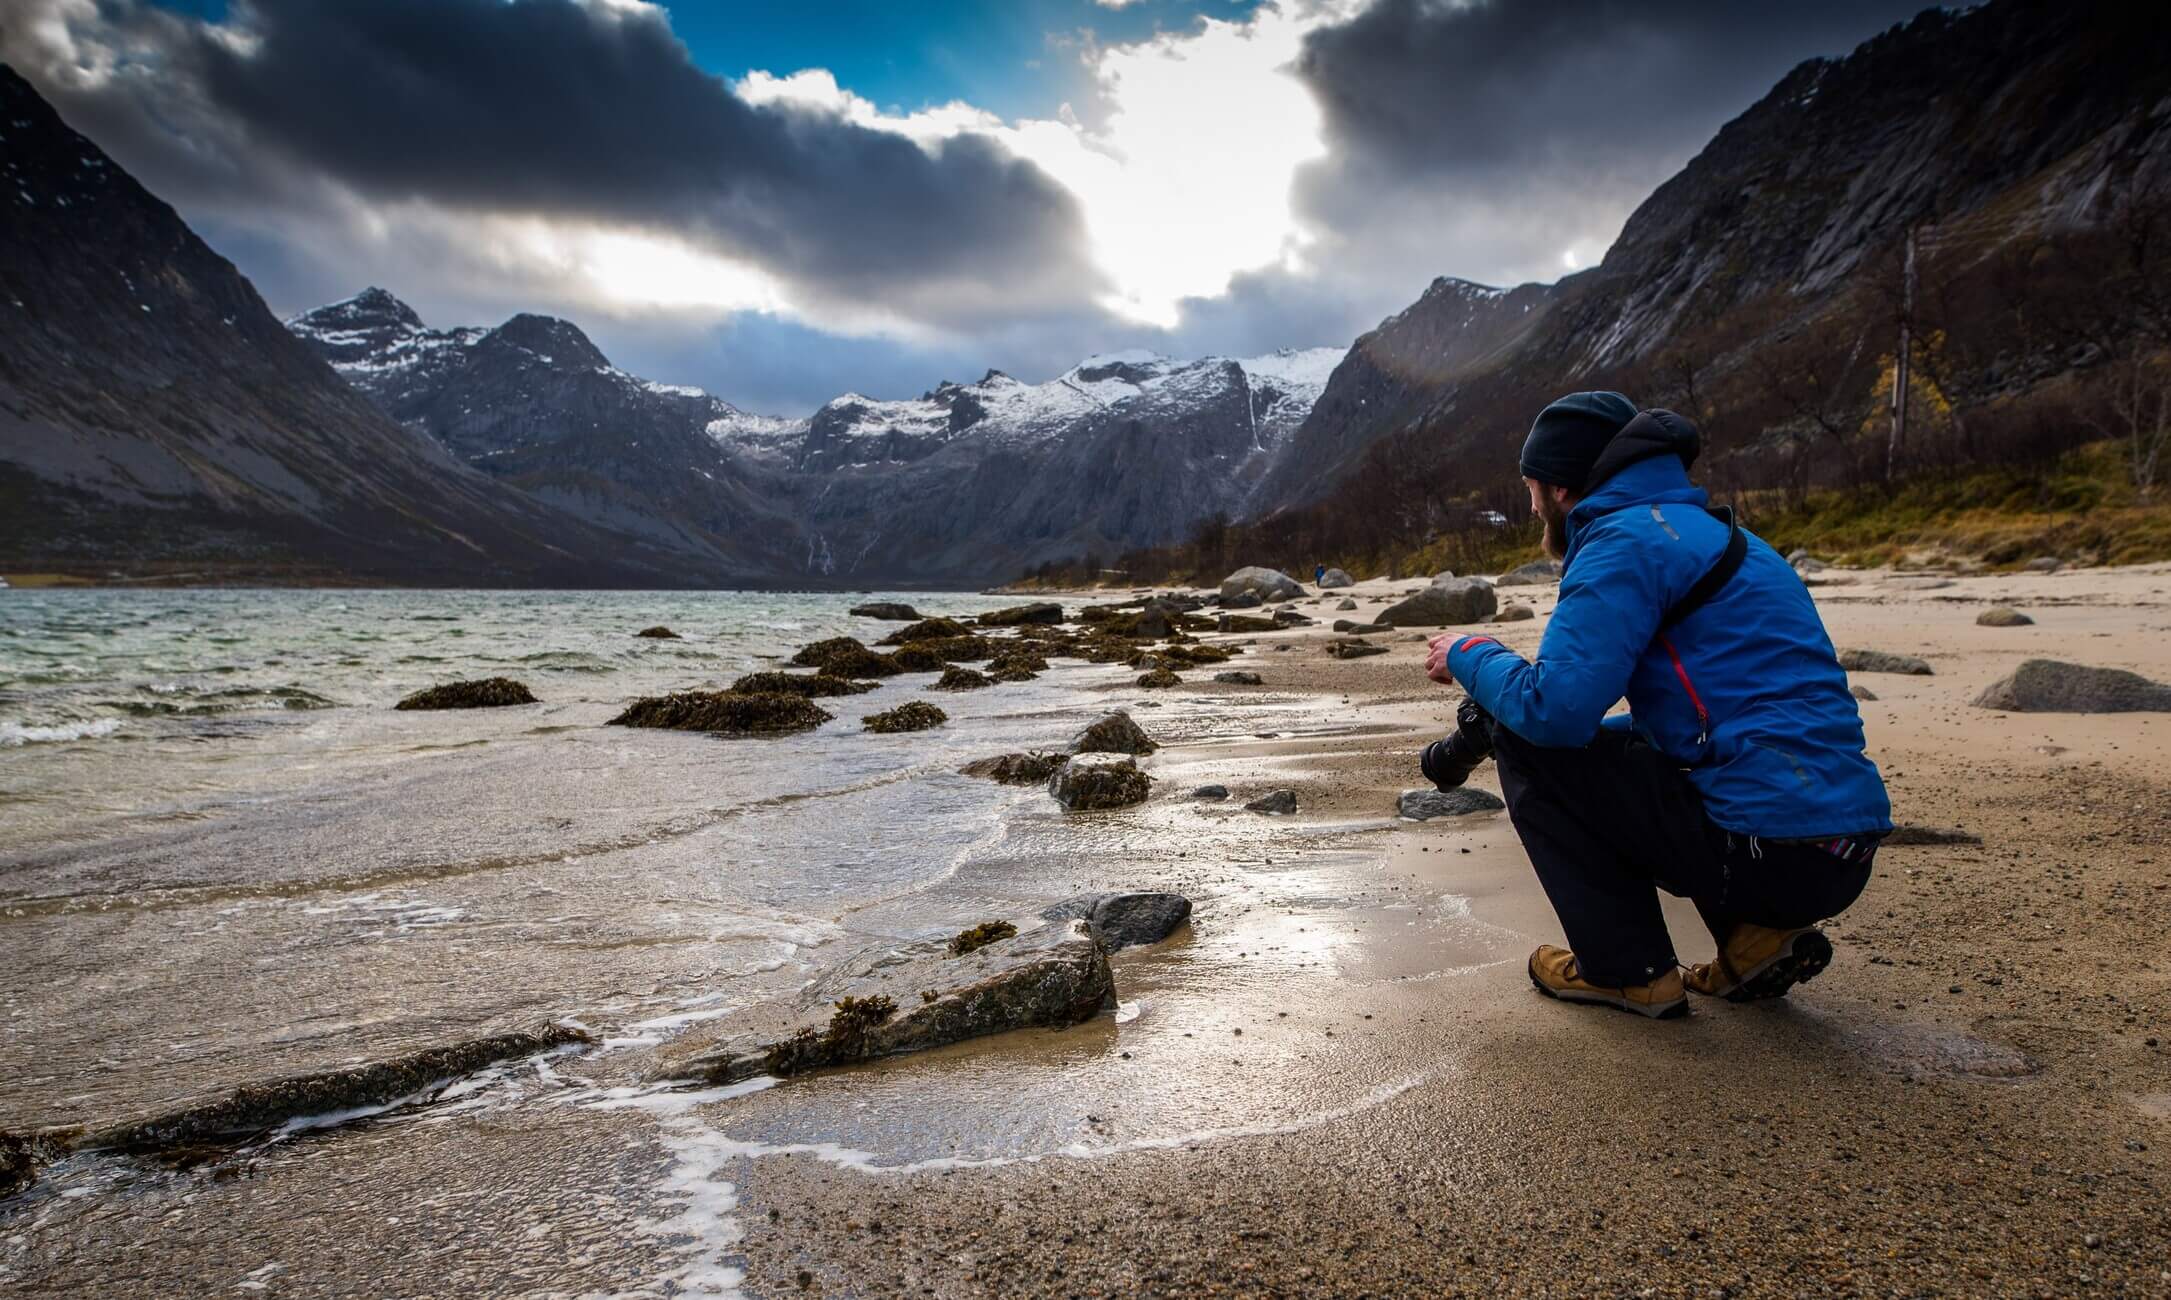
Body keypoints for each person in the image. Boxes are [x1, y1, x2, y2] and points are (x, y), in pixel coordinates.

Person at [1420, 391, 1890, 1019]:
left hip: (1767, 852)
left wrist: (1467, 650)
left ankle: (1625, 970)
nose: (1532, 507)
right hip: (1836, 849)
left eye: (1532, 488)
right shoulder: (1725, 538)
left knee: (1529, 743)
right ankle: (1753, 942)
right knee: (1654, 754)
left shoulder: (1623, 543)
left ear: (1560, 488)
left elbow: (1554, 715)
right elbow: (1693, 721)